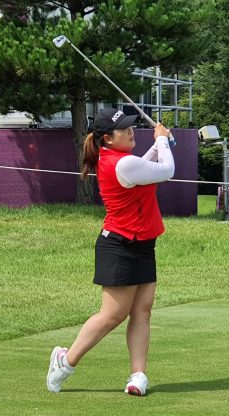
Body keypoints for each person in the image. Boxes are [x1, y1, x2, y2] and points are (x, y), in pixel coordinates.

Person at [47, 108, 175, 396]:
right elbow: (167, 171)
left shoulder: (122, 161)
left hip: (142, 243)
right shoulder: (120, 163)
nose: (131, 131)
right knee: (112, 315)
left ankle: (137, 376)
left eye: (131, 126)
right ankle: (65, 362)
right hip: (119, 245)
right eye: (125, 129)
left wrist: (156, 146)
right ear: (108, 138)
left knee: (142, 311)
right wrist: (163, 140)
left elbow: (143, 168)